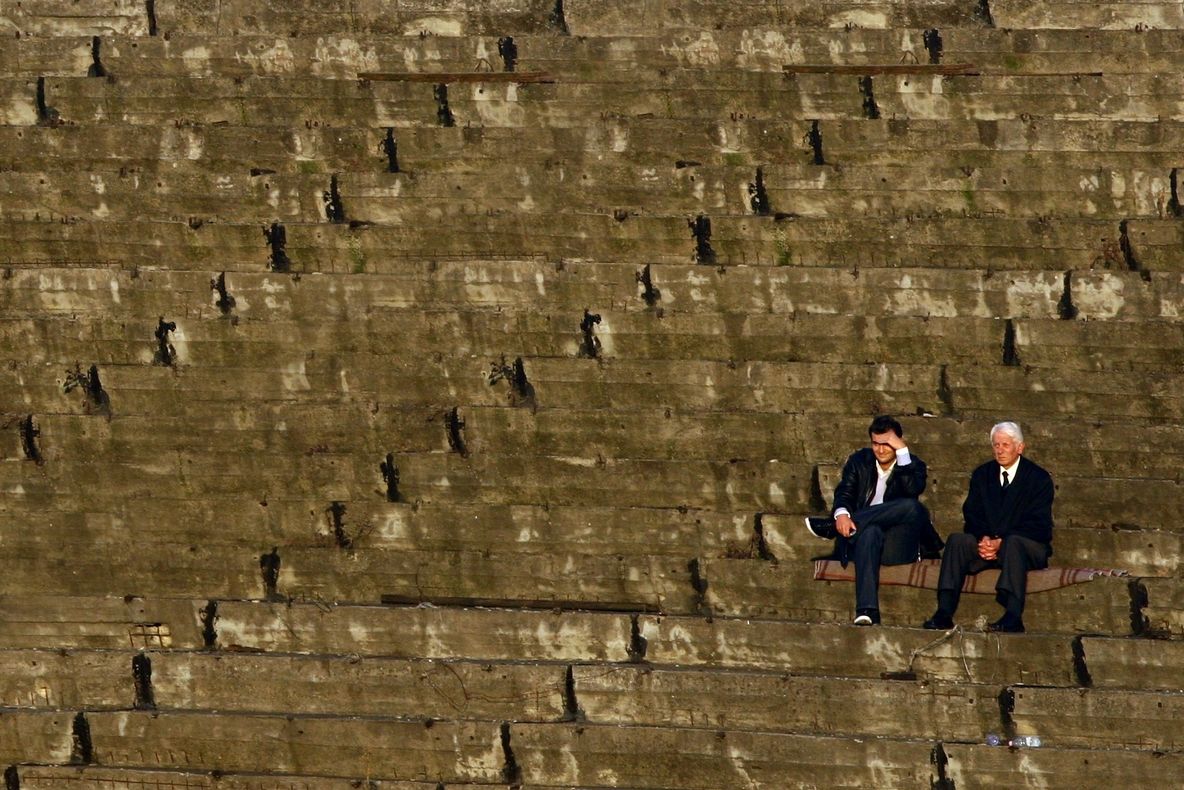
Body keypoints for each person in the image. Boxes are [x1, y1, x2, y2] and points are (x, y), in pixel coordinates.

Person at [805, 415, 942, 626]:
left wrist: (903, 452)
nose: (880, 450)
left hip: (896, 545)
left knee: (912, 506)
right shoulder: (859, 461)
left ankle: (831, 528)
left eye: (886, 444)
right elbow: (845, 493)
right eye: (875, 443)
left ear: (898, 442)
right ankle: (867, 611)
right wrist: (841, 514)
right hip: (862, 539)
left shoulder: (914, 465)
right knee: (870, 531)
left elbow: (912, 489)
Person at [923, 421, 1054, 634]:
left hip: (1024, 545)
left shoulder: (1038, 479)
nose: (1000, 450)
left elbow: (1038, 524)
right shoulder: (982, 474)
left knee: (1013, 543)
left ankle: (1013, 615)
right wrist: (983, 538)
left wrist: (1001, 541)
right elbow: (972, 514)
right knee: (957, 540)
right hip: (988, 542)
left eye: (1005, 445)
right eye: (996, 445)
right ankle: (944, 611)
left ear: (1019, 447)